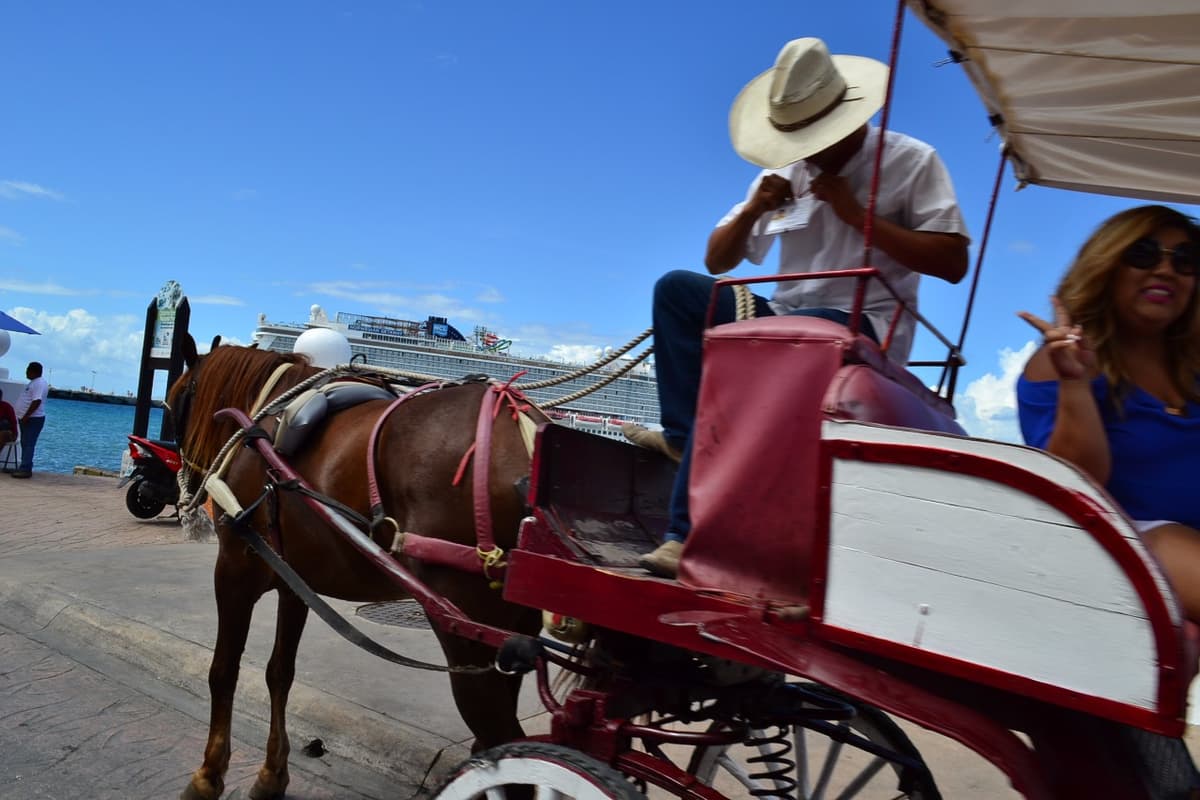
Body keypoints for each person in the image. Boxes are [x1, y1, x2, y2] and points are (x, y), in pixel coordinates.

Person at [628, 37, 970, 577]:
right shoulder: (787, 171)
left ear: (847, 119)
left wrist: (858, 216)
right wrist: (753, 211)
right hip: (786, 316)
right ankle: (681, 436)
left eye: (815, 138)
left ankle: (685, 533)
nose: (807, 150)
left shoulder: (911, 161)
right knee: (677, 289)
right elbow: (716, 260)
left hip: (863, 323)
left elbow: (953, 260)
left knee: (772, 343)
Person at [1017, 205, 1200, 622]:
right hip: (1129, 542)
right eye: (1144, 255)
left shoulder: (1193, 371)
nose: (1167, 270)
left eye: (1186, 261)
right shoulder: (1061, 362)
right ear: (1108, 267)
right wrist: (1075, 383)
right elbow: (1076, 483)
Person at [12, 361, 49, 479]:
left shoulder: (39, 383)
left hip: (33, 419)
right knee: (24, 442)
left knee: (29, 444)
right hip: (27, 418)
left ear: (34, 371)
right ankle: (23, 465)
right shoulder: (33, 383)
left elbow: (36, 401)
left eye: (28, 369)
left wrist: (26, 416)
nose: (26, 372)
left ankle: (26, 468)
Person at [0, 388, 16, 467]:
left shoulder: (6, 407)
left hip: (8, 432)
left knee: (3, 434)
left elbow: (13, 423)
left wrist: (14, 435)